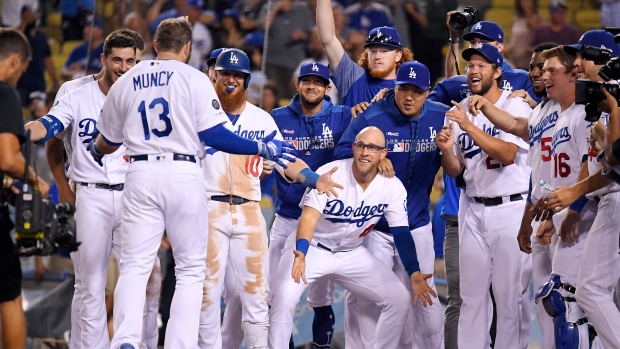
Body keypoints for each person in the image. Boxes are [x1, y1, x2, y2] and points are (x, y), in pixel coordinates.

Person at [87, 18, 295, 348]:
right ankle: (179, 344)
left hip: (139, 174)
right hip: (183, 174)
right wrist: (257, 146)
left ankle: (125, 340)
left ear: (155, 45)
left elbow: (106, 141)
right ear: (187, 49)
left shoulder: (128, 80)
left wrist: (96, 151)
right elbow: (215, 134)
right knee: (190, 271)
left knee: (136, 265)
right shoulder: (195, 79)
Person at [197, 51, 343, 349]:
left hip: (249, 210)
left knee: (256, 294)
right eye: (225, 73)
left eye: (237, 75)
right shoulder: (199, 114)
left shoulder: (262, 120)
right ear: (215, 76)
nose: (231, 80)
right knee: (207, 294)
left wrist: (315, 179)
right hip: (208, 208)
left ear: (247, 81)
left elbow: (287, 159)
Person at [24, 30, 158, 349]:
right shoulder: (76, 93)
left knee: (143, 279)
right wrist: (19, 131)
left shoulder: (144, 96)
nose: (124, 67)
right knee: (90, 286)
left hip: (133, 196)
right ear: (103, 59)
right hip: (91, 194)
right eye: (117, 60)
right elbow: (49, 127)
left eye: (130, 61)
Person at [269, 126, 437, 348]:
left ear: (383, 154)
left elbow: (401, 233)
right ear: (353, 148)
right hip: (313, 248)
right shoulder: (331, 172)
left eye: (373, 148)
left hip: (352, 253)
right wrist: (301, 252)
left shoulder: (392, 186)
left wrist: (414, 273)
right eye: (362, 146)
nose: (366, 152)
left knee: (399, 299)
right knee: (283, 299)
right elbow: (308, 219)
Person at [334, 61, 447, 349]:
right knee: (370, 302)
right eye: (403, 89)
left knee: (426, 307)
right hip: (375, 226)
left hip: (417, 224)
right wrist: (372, 155)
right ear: (393, 88)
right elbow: (342, 149)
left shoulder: (441, 116)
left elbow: (468, 87)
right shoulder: (374, 116)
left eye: (417, 91)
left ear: (428, 92)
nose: (409, 97)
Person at [435, 43, 532, 349]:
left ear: (497, 72)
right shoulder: (458, 110)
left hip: (511, 208)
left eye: (482, 65)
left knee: (508, 297)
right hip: (472, 208)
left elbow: (506, 154)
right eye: (470, 66)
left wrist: (468, 126)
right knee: (471, 297)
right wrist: (446, 151)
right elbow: (455, 171)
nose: (474, 71)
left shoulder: (514, 107)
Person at [268, 62, 351, 348]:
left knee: (321, 298)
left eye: (319, 82)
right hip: (288, 216)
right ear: (297, 84)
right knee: (275, 294)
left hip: (324, 222)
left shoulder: (342, 116)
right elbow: (273, 159)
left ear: (328, 88)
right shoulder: (277, 117)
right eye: (307, 81)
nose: (312, 86)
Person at [0, 27, 49, 349]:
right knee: (9, 296)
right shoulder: (4, 92)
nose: (19, 77)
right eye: (22, 70)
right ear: (16, 59)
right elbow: (7, 157)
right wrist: (33, 178)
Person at [316, 0, 413, 108]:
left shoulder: (410, 88)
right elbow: (328, 40)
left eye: (384, 51)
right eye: (373, 51)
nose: (377, 56)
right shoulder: (354, 79)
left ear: (398, 56)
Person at [503, 0, 545, 70]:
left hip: (530, 62)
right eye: (523, 1)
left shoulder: (538, 19)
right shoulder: (516, 19)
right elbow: (512, 39)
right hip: (515, 60)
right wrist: (507, 49)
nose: (525, 3)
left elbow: (542, 41)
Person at [61, 15, 105, 81]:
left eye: (91, 27)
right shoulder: (78, 49)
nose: (86, 30)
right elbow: (63, 71)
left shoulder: (107, 50)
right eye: (86, 27)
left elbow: (109, 75)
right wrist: (75, 73)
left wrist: (84, 73)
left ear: (100, 30)